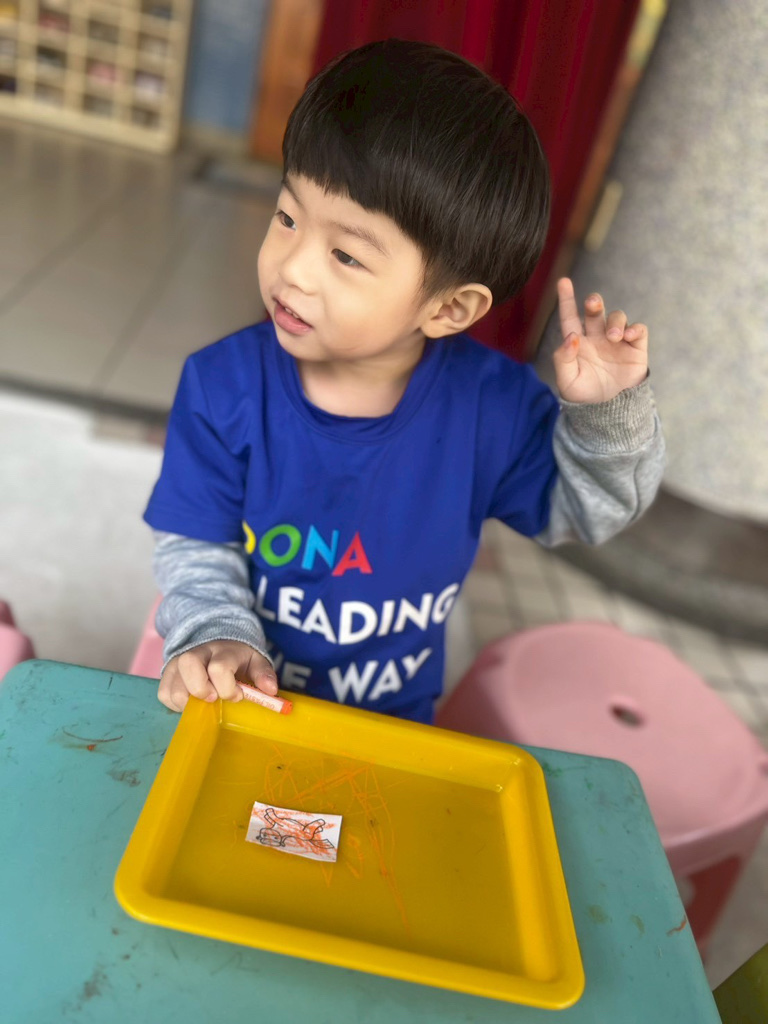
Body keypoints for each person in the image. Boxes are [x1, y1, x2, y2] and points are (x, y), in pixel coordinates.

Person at [144, 39, 664, 722]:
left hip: (394, 723)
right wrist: (216, 632)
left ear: (448, 308)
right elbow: (194, 543)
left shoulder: (493, 410)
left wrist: (608, 415)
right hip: (244, 705)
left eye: (346, 255)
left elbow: (588, 512)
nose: (292, 268)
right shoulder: (221, 388)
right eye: (288, 217)